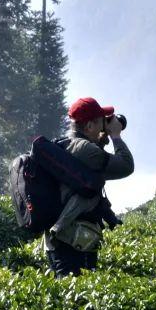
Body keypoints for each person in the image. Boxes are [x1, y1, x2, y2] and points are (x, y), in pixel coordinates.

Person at [44, 97, 134, 277]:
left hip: (65, 238)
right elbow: (126, 166)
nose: (105, 125)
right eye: (102, 121)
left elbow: (85, 173)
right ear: (90, 126)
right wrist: (115, 136)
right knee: (76, 298)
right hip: (72, 240)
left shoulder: (65, 144)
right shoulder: (86, 150)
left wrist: (100, 140)